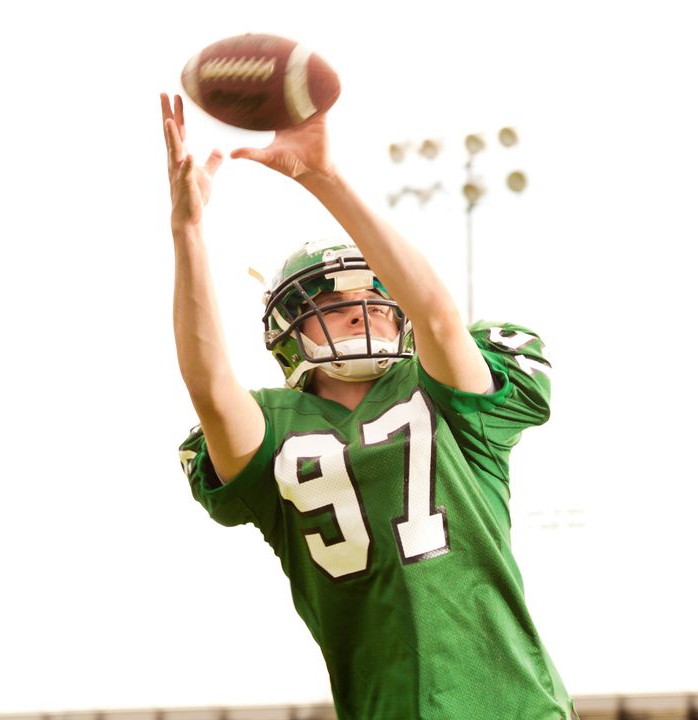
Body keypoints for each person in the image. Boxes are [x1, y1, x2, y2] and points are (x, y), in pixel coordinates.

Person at [161, 92, 574, 720]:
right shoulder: (276, 425)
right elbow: (210, 388)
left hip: (514, 706)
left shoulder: (441, 387)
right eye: (335, 305)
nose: (361, 312)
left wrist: (325, 179)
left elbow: (436, 313)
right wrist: (186, 230)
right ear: (288, 330)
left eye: (377, 303)